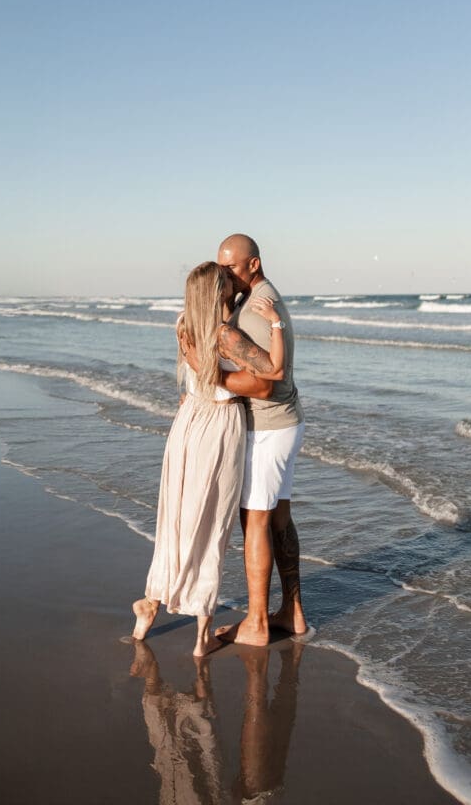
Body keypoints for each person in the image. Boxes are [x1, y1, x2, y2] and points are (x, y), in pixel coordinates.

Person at [131, 260, 286, 656]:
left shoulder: (183, 322)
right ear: (219, 293)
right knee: (211, 524)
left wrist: (205, 375)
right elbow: (272, 373)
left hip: (187, 423)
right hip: (219, 425)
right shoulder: (224, 335)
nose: (234, 286)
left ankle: (149, 603)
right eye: (227, 283)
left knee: (176, 521)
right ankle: (201, 635)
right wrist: (277, 325)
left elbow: (192, 376)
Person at [212, 234, 309, 646]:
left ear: (253, 264)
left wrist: (213, 381)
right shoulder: (257, 298)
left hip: (269, 428)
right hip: (283, 424)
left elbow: (265, 384)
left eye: (231, 268)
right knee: (278, 518)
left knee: (255, 521)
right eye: (220, 267)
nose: (224, 275)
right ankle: (292, 612)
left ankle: (255, 623)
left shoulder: (253, 309)